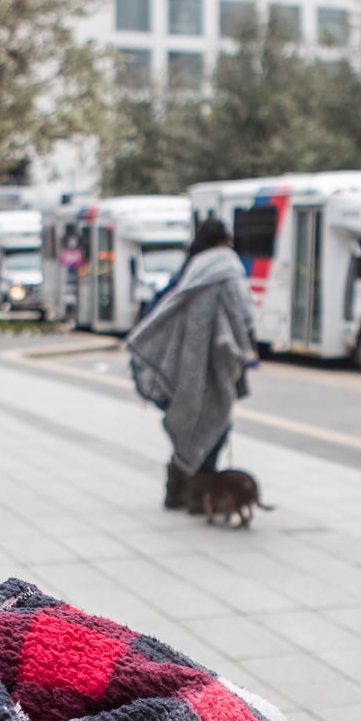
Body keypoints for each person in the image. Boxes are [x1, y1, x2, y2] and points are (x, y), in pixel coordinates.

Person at [124, 216, 256, 507]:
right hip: (214, 364)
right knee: (214, 424)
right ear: (224, 240)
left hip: (184, 361)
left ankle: (176, 491)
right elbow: (245, 314)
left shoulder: (191, 266)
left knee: (189, 422)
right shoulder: (227, 265)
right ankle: (200, 495)